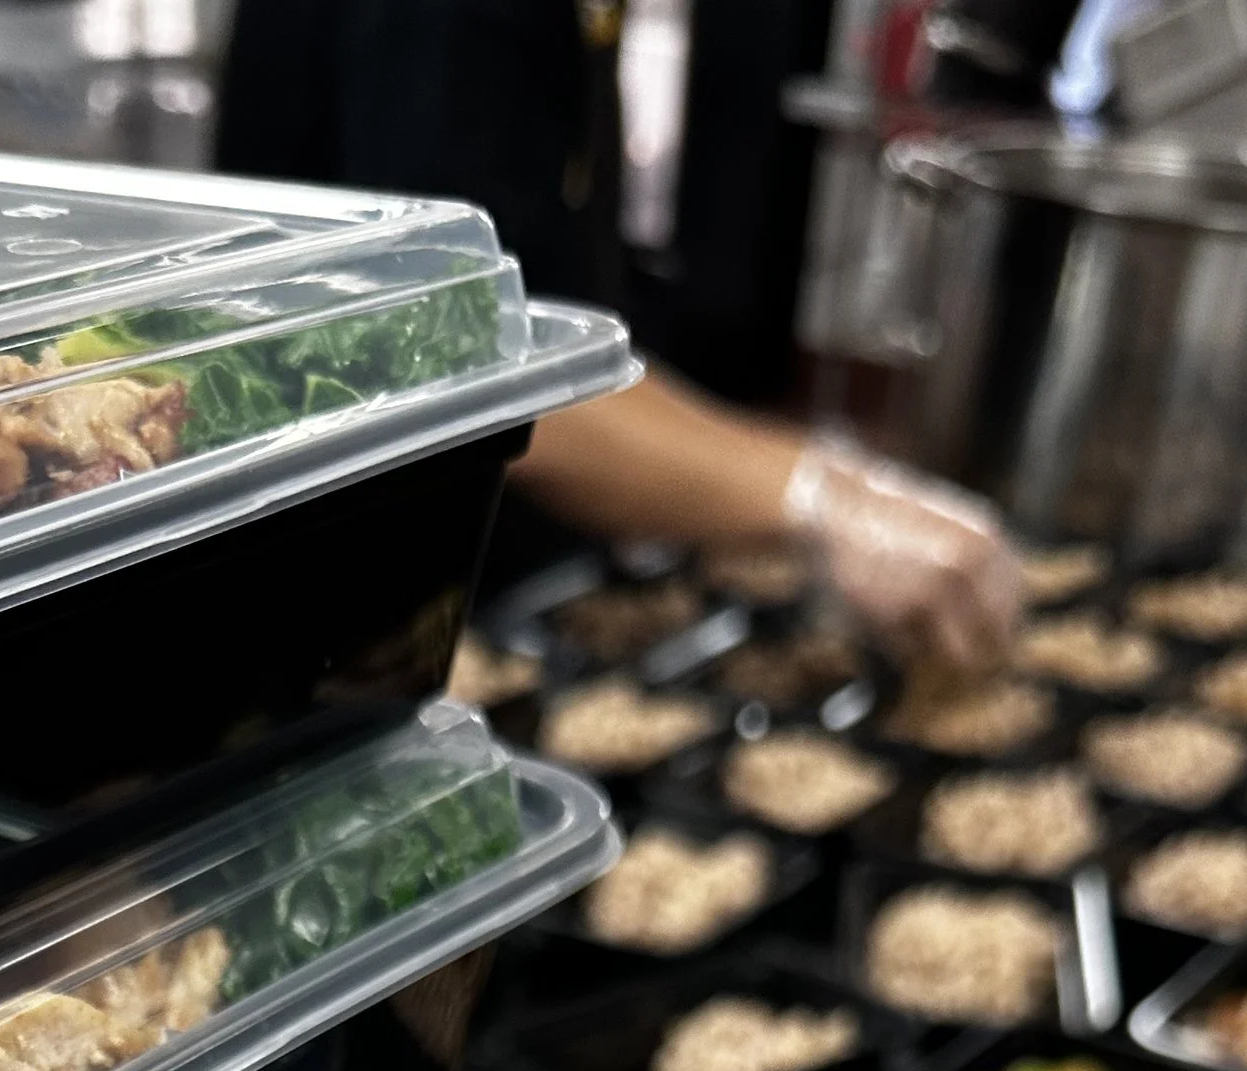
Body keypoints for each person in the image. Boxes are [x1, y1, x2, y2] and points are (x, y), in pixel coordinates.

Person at [213, 0, 1022, 674]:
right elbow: (457, 362)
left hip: (498, 564)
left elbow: (555, 295)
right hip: (352, 598)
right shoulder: (444, 25)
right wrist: (825, 500)